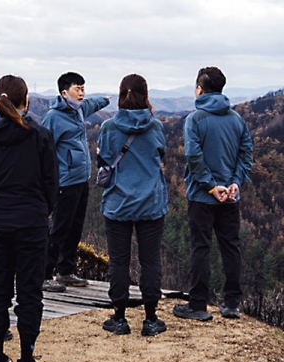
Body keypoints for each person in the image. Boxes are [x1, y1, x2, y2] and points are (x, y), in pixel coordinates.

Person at [0, 75, 57, 362]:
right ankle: (26, 360)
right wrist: (42, 210)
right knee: (29, 293)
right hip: (31, 222)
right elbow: (51, 182)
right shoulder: (39, 136)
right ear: (26, 102)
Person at [173, 67, 253, 321]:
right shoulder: (236, 119)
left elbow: (194, 158)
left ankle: (198, 305)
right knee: (231, 248)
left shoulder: (195, 120)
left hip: (202, 196)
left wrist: (210, 186)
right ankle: (231, 305)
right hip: (230, 196)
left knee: (201, 248)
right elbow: (246, 153)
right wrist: (235, 182)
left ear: (200, 89)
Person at [97, 74, 168, 336]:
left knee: (118, 262)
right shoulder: (157, 127)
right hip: (151, 202)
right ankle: (150, 319)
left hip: (118, 204)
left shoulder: (108, 128)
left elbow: (103, 160)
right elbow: (161, 154)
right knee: (150, 261)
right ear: (145, 95)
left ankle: (119, 317)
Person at [41, 72, 110, 292]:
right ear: (64, 93)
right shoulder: (54, 117)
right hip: (64, 182)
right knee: (60, 228)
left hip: (81, 180)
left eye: (82, 88)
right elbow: (44, 148)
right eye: (76, 89)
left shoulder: (78, 110)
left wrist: (107, 99)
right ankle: (44, 273)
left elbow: (92, 104)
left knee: (75, 227)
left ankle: (66, 271)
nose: (81, 93)